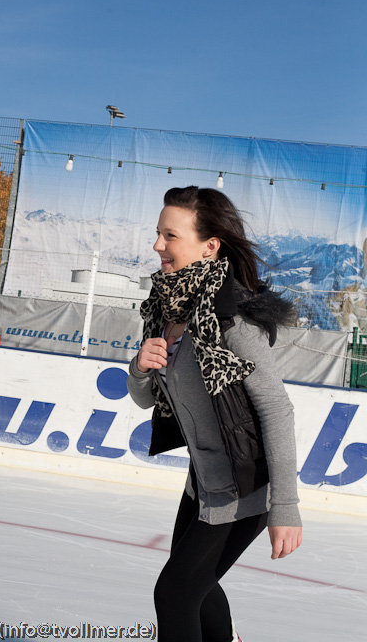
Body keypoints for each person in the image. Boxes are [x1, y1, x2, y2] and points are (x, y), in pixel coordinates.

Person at [127, 186, 302, 642]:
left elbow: (276, 409)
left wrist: (285, 507)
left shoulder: (232, 319)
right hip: (203, 481)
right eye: (158, 233)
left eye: (170, 235)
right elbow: (146, 399)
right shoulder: (167, 311)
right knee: (196, 590)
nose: (158, 245)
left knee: (175, 594)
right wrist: (140, 367)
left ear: (210, 246)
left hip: (245, 486)